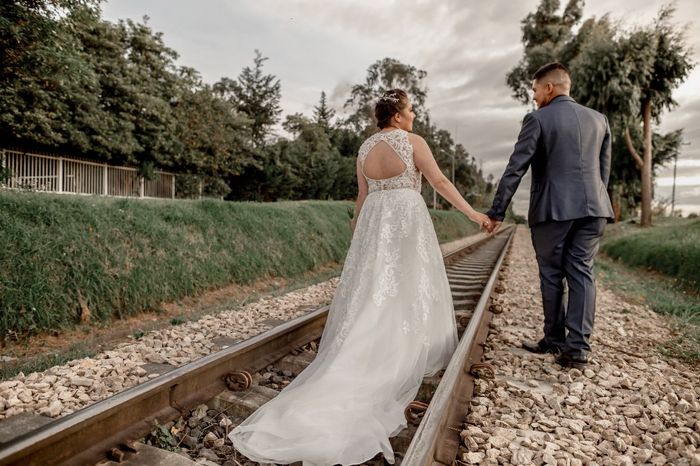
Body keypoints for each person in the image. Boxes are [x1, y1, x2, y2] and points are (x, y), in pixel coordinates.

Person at [228, 89, 490, 465]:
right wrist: (473, 215)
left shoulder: (365, 149)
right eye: (410, 110)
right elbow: (440, 184)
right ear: (397, 117)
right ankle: (402, 347)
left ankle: (363, 346)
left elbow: (362, 197)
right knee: (408, 287)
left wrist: (359, 239)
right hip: (405, 222)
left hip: (375, 223)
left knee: (374, 292)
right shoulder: (412, 142)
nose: (414, 115)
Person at [485, 62, 614, 370]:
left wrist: (497, 211)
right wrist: (595, 200)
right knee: (582, 272)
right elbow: (603, 171)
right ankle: (578, 349)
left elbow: (516, 168)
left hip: (553, 209)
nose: (533, 96)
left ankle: (554, 340)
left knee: (552, 275)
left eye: (534, 90)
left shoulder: (538, 119)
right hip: (594, 207)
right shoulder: (599, 120)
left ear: (549, 88)